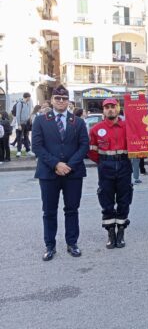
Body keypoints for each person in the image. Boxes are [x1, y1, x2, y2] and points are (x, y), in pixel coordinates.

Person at [31, 85, 89, 261]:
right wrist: (56, 164)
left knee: (72, 209)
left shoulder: (77, 122)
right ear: (52, 100)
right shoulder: (40, 120)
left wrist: (68, 165)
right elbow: (37, 147)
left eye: (64, 99)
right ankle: (50, 245)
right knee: (49, 211)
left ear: (68, 101)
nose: (61, 101)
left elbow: (84, 146)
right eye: (58, 98)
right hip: (48, 173)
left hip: (73, 173)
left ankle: (72, 243)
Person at [88, 98, 133, 249]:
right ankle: (110, 233)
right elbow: (92, 151)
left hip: (124, 165)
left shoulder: (129, 126)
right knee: (106, 201)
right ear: (103, 110)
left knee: (124, 200)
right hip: (105, 166)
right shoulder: (96, 129)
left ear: (118, 108)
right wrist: (103, 162)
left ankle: (120, 232)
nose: (110, 110)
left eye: (113, 107)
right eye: (107, 107)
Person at [15, 92, 34, 157]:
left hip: (26, 123)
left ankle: (28, 150)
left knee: (26, 137)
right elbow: (18, 114)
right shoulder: (20, 103)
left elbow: (28, 113)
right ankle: (19, 151)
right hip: (21, 123)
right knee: (19, 137)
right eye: (29, 97)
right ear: (27, 97)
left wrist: (30, 119)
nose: (30, 99)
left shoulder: (28, 104)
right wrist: (19, 124)